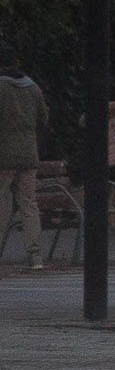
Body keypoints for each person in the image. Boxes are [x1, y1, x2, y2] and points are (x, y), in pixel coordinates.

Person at [0, 46, 43, 268]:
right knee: (29, 205)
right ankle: (35, 255)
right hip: (29, 155)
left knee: (1, 202)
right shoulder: (33, 87)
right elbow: (43, 118)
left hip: (3, 155)